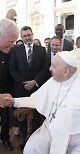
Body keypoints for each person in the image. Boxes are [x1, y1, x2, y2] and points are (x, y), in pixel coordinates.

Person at [0, 51, 80, 154]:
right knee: (31, 149)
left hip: (77, 138)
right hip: (50, 130)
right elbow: (35, 99)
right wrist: (13, 101)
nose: (49, 68)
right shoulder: (53, 81)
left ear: (66, 71)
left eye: (53, 66)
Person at [9, 26, 48, 149]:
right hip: (21, 88)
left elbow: (45, 68)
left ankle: (34, 139)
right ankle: (24, 138)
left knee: (36, 115)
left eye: (29, 35)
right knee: (22, 116)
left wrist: (34, 81)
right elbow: (12, 69)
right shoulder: (15, 50)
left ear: (33, 34)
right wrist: (25, 83)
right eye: (25, 36)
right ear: (21, 37)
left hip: (37, 88)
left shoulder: (41, 50)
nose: (27, 37)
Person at [0, 18, 19, 151]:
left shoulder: (8, 52)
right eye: (10, 41)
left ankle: (5, 138)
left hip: (5, 91)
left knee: (5, 119)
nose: (13, 45)